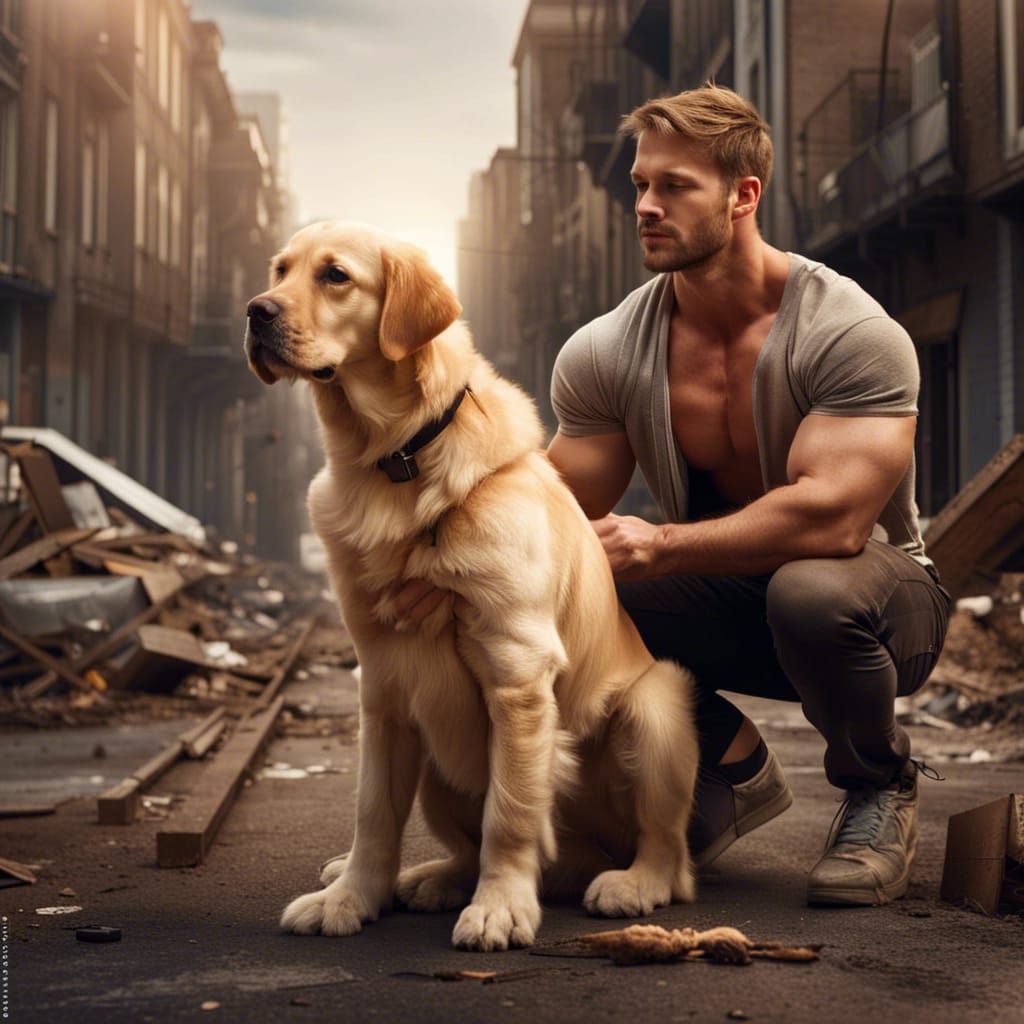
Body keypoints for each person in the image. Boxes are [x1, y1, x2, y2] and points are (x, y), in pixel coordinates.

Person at [395, 83, 951, 907]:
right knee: (573, 587)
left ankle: (879, 788)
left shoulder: (849, 331)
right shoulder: (608, 350)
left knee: (807, 592)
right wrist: (430, 566)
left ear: (742, 195)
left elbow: (833, 519)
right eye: (640, 185)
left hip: (875, 608)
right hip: (728, 602)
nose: (647, 206)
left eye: (675, 186)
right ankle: (729, 768)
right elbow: (547, 515)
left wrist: (658, 545)